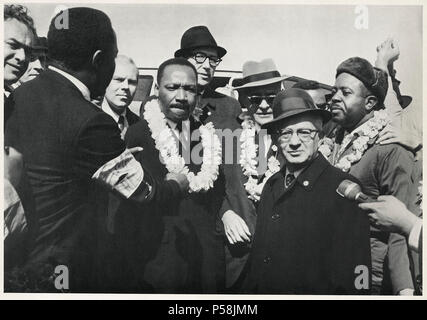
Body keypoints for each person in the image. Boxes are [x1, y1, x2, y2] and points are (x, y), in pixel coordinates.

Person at [5, 7, 187, 292]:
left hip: (16, 265)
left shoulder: (17, 96)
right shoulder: (92, 122)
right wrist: (176, 183)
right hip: (60, 272)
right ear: (99, 60)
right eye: (113, 60)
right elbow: (144, 193)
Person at [243, 88, 371, 294]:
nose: (294, 142)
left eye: (304, 132)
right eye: (286, 133)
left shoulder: (342, 189)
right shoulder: (272, 184)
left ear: (319, 136)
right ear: (276, 140)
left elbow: (359, 270)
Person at [123, 58, 225, 293]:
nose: (181, 96)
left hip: (203, 261)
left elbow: (215, 197)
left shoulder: (208, 136)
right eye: (172, 87)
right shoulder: (138, 134)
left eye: (190, 89)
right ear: (157, 90)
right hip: (156, 262)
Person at [322, 56, 415, 295]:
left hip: (368, 275)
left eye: (345, 92)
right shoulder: (333, 137)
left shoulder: (390, 148)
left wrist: (403, 289)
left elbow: (400, 226)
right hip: (329, 267)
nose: (334, 98)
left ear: (370, 102)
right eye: (334, 91)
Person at [219, 58, 288, 290]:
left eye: (271, 98)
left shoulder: (295, 139)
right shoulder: (227, 136)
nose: (265, 106)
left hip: (277, 262)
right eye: (256, 99)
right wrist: (225, 213)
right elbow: (211, 187)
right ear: (245, 100)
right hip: (235, 258)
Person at [174, 25, 241, 131]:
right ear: (183, 61)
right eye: (200, 57)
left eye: (213, 59)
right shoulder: (161, 104)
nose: (207, 66)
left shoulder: (230, 106)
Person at [101, 55, 140, 139]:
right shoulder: (87, 120)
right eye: (119, 80)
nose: (126, 87)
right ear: (104, 81)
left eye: (131, 82)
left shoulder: (139, 124)